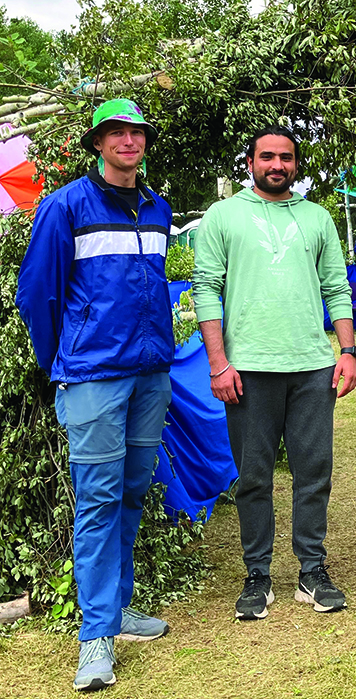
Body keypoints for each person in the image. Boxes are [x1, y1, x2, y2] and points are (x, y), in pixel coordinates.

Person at [16, 99, 174, 691]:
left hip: (150, 374)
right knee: (98, 500)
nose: (129, 141)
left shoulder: (156, 210)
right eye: (117, 133)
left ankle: (117, 606)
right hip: (91, 377)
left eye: (137, 132)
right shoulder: (67, 206)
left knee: (133, 491)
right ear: (99, 143)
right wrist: (64, 360)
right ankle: (95, 638)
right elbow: (37, 294)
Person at [193, 124, 356, 621]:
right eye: (267, 156)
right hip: (247, 371)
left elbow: (336, 285)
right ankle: (257, 576)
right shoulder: (222, 216)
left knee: (314, 473)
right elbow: (206, 288)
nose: (277, 165)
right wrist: (218, 362)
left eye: (286, 157)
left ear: (296, 164)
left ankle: (312, 571)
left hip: (312, 367)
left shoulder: (317, 217)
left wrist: (348, 350)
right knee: (253, 478)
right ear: (250, 163)